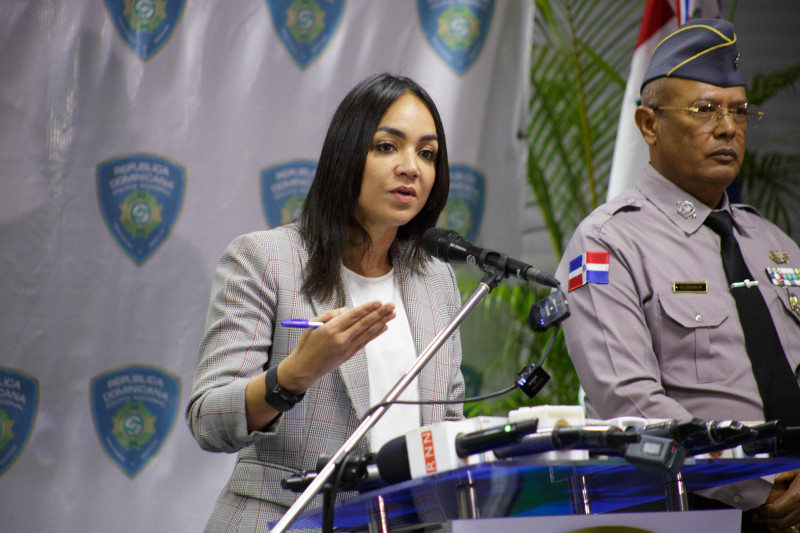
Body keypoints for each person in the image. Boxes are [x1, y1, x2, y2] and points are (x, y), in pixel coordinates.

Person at [186, 73, 465, 530]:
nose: (411, 167)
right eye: (387, 146)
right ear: (346, 155)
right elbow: (208, 420)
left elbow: (447, 419)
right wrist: (294, 375)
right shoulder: (265, 259)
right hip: (288, 519)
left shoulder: (435, 280)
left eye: (427, 153)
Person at [555, 19, 800, 532]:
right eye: (705, 110)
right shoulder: (608, 243)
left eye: (738, 111)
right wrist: (760, 483)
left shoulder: (772, 243)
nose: (728, 128)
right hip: (703, 512)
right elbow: (628, 404)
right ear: (649, 125)